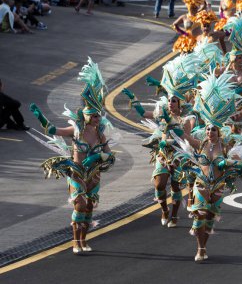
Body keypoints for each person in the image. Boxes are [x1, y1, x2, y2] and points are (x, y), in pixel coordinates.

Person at [29, 58, 116, 254]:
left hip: (93, 174)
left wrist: (97, 157)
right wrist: (40, 116)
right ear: (86, 116)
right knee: (80, 204)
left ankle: (84, 241)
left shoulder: (101, 133)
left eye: (98, 115)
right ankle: (75, 242)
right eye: (94, 115)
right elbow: (52, 129)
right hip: (76, 173)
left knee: (90, 207)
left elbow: (110, 157)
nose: (97, 118)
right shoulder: (75, 130)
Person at [173, 70, 242, 262]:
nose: (210, 131)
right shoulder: (200, 144)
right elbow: (184, 137)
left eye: (213, 129)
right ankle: (200, 249)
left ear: (219, 132)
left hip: (217, 186)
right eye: (208, 129)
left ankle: (204, 244)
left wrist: (235, 164)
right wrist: (174, 125)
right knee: (200, 216)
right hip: (201, 183)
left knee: (209, 219)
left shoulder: (225, 147)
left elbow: (237, 160)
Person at [122, 54, 202, 228]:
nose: (171, 103)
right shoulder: (161, 114)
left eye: (174, 101)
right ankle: (165, 210)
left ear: (179, 104)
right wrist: (133, 99)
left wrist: (176, 131)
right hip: (163, 153)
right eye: (170, 100)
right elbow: (144, 114)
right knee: (159, 184)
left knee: (175, 185)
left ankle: (174, 215)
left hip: (179, 154)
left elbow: (185, 137)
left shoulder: (188, 118)